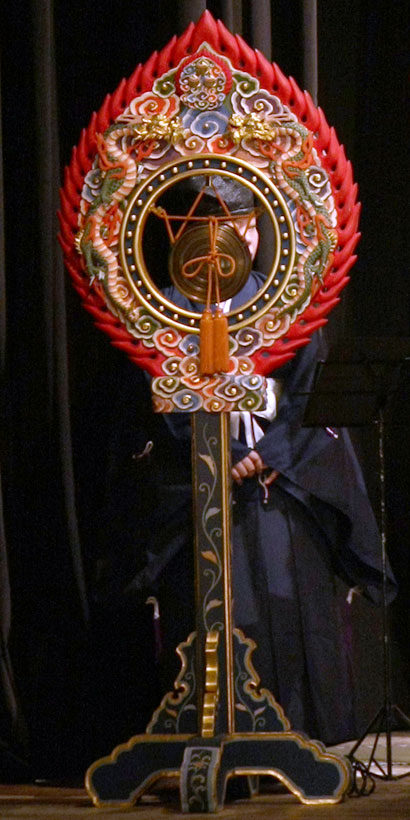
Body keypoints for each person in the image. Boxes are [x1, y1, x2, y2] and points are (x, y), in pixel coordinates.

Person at [98, 180, 396, 746]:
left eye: (243, 228)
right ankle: (207, 739)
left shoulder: (288, 305)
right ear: (187, 236)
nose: (232, 241)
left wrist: (268, 454)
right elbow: (156, 404)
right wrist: (221, 457)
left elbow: (310, 395)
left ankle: (301, 740)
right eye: (213, 230)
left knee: (288, 601)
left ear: (257, 233)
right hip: (197, 488)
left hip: (280, 483)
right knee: (215, 610)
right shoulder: (160, 312)